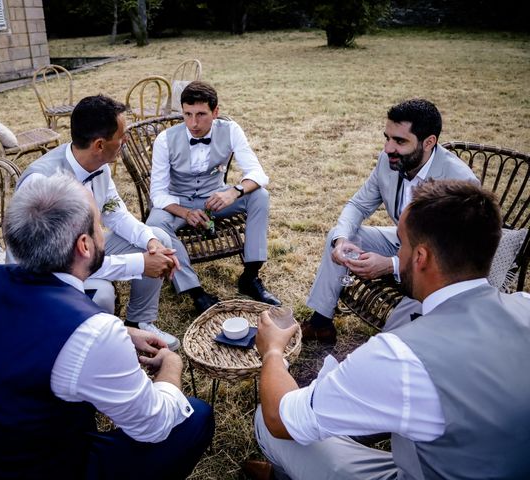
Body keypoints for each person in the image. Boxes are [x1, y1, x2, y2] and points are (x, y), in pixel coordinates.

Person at [0, 174, 214, 479]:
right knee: (195, 416)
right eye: (98, 225)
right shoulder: (93, 331)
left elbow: (22, 336)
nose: (103, 231)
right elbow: (155, 426)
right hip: (40, 469)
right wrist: (172, 366)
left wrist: (126, 332)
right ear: (85, 245)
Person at [246, 179, 530, 480]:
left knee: (266, 421)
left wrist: (273, 351)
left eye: (401, 244)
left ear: (420, 257)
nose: (399, 254)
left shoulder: (401, 356)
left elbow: (281, 419)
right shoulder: (524, 304)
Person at [302, 98, 478, 345]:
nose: (387, 148)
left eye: (400, 141)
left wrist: (392, 265)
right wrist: (341, 241)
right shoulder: (389, 161)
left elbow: (454, 252)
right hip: (403, 241)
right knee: (341, 234)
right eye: (387, 138)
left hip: (441, 260)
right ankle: (321, 323)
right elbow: (359, 205)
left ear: (429, 142)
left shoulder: (460, 182)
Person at [13, 94, 181, 350]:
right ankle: (90, 346)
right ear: (100, 144)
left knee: (159, 237)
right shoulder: (42, 183)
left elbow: (117, 213)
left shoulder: (98, 165)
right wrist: (140, 264)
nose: (126, 140)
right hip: (43, 278)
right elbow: (64, 264)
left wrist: (152, 242)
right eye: (122, 136)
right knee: (102, 294)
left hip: (82, 252)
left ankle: (139, 322)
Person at [147, 81, 280, 313]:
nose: (193, 123)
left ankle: (250, 276)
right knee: (154, 225)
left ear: (215, 112)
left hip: (215, 199)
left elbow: (258, 174)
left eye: (201, 114)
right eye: (187, 114)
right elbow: (157, 193)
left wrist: (233, 191)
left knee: (260, 195)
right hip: (177, 202)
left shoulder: (230, 130)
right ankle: (195, 291)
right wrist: (185, 213)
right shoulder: (165, 140)